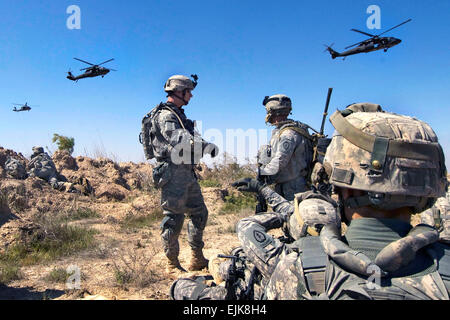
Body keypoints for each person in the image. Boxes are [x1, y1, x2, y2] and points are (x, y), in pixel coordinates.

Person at [170, 181, 340, 300]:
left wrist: (284, 217)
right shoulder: (350, 257)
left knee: (182, 286)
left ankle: (215, 268)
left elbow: (246, 225)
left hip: (256, 289)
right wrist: (262, 189)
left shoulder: (281, 257)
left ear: (297, 225)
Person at [141, 74, 218, 272]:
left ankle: (197, 258)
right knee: (173, 219)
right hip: (172, 174)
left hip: (187, 172)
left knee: (199, 213)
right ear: (179, 91)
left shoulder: (179, 115)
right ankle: (172, 264)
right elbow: (181, 139)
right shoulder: (166, 116)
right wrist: (206, 146)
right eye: (188, 91)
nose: (191, 95)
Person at [258, 94, 314, 201]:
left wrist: (262, 175)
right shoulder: (287, 130)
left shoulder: (287, 134)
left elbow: (280, 160)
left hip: (293, 188)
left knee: (292, 215)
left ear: (273, 112)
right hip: (288, 185)